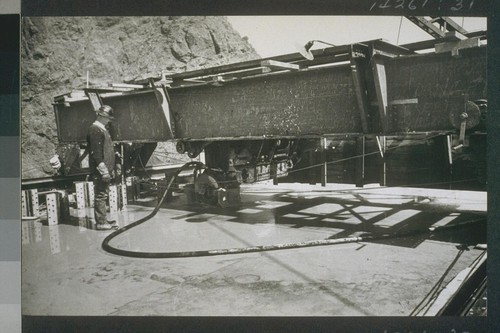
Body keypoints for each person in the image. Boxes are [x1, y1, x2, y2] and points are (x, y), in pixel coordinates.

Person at [87, 105, 121, 230]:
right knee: (100, 195)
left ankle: (103, 219)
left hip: (105, 168)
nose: (109, 121)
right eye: (107, 118)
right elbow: (96, 153)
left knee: (103, 194)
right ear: (101, 116)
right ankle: (101, 222)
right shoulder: (95, 130)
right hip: (101, 170)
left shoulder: (102, 129)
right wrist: (104, 171)